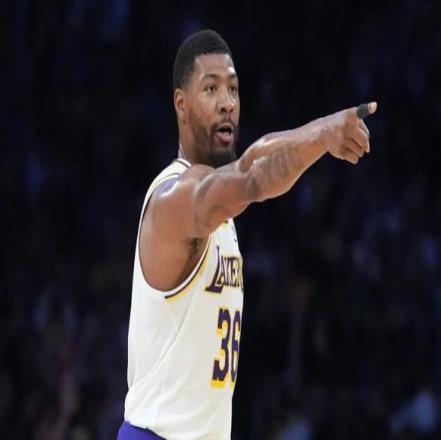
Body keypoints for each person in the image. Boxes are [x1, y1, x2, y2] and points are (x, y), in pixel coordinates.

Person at [118, 29, 377, 440]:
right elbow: (252, 176)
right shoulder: (174, 199)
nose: (227, 102)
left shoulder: (220, 209)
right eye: (211, 89)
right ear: (181, 104)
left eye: (233, 89)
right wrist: (322, 133)